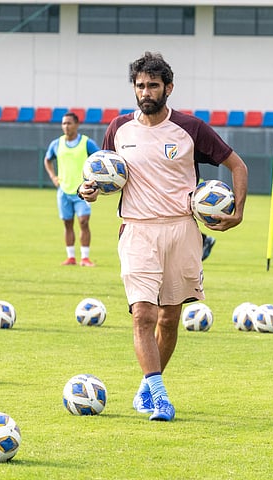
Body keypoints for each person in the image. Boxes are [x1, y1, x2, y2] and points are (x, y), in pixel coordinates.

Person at [79, 52, 248, 422]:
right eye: (140, 86)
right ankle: (160, 397)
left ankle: (146, 386)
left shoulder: (191, 128)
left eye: (153, 85)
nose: (146, 92)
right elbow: (101, 174)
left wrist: (238, 212)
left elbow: (237, 165)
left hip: (182, 230)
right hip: (137, 230)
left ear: (168, 88)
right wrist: (87, 189)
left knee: (169, 318)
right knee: (143, 313)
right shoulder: (118, 128)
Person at [44, 112, 101, 266]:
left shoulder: (86, 143)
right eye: (64, 123)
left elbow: (100, 158)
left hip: (82, 191)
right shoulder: (57, 144)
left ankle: (85, 258)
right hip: (64, 190)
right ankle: (71, 257)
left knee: (83, 221)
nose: (66, 126)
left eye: (69, 123)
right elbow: (47, 160)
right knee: (67, 223)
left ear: (76, 124)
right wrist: (53, 177)